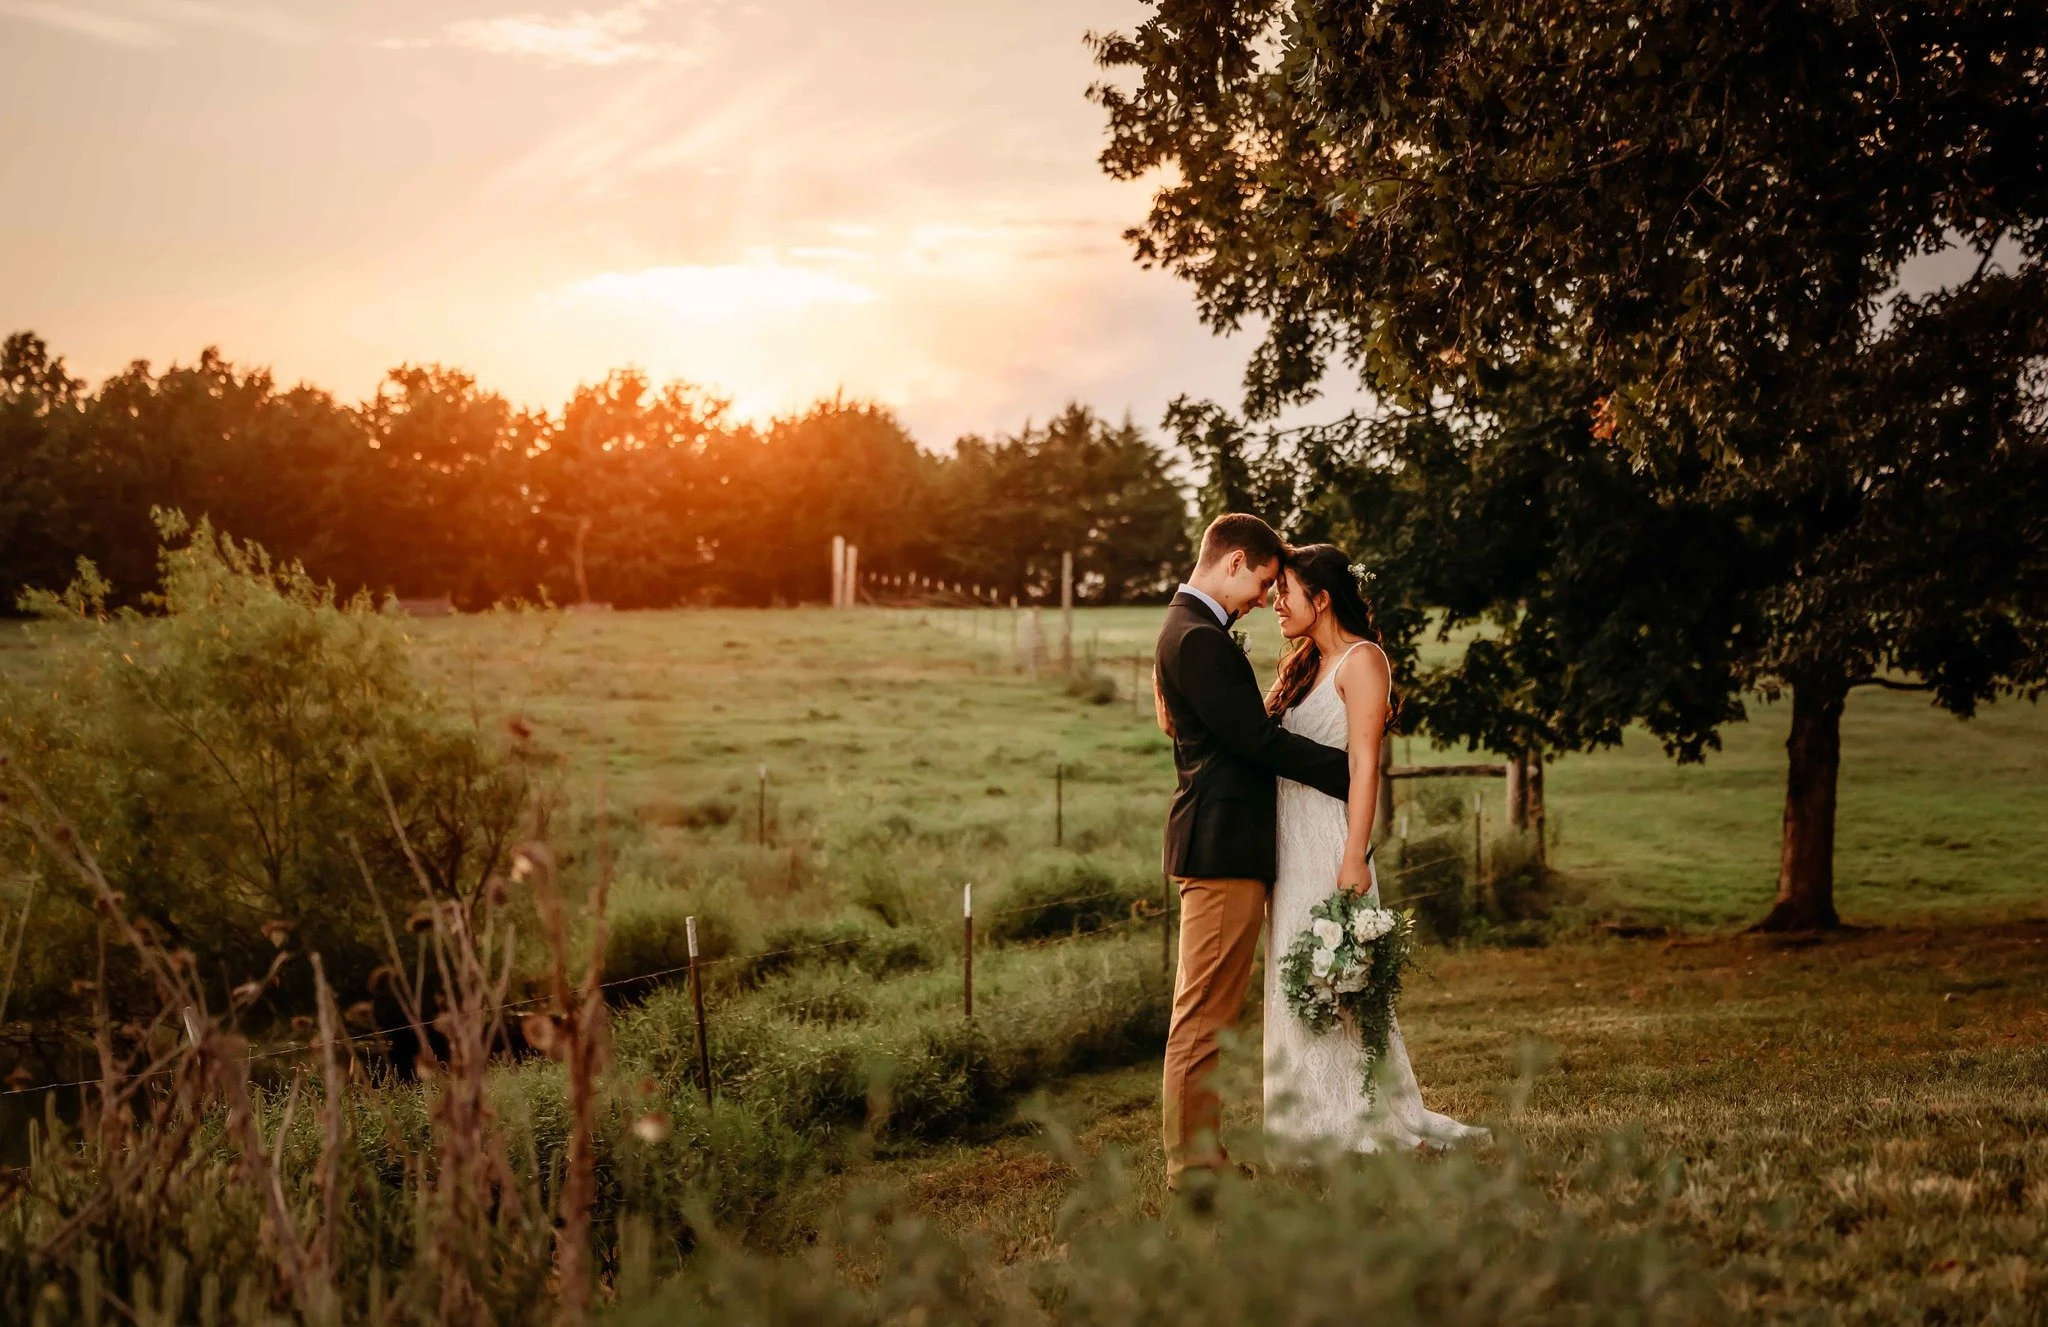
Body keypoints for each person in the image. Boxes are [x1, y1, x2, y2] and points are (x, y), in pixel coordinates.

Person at [1262, 543, 1489, 1153]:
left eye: (1284, 589)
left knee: (1335, 977)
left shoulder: (1364, 662)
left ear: (1323, 597)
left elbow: (1366, 767)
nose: (1273, 601)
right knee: (1297, 975)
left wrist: (1355, 855)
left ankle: (1355, 1117)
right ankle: (1302, 1114)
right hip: (1287, 841)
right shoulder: (1300, 668)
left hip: (1332, 839)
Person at [1151, 514, 1351, 1188]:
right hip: (1221, 847)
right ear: (1234, 562)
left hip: (1224, 844)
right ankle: (1192, 1164)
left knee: (1208, 1009)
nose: (1266, 597)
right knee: (1203, 1013)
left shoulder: (1194, 629)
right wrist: (1349, 771)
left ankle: (1199, 1156)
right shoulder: (1199, 637)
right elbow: (1255, 742)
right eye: (1265, 581)